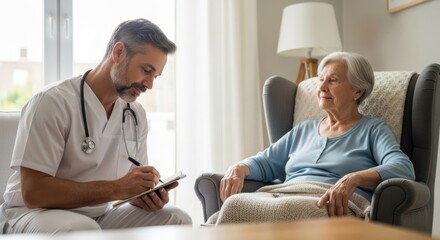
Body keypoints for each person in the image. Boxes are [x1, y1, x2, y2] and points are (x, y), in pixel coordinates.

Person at [0, 18, 191, 234]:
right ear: (118, 53)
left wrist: (145, 195)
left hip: (99, 214)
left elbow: (128, 188)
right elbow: (33, 192)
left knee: (177, 218)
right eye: (146, 70)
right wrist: (116, 188)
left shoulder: (135, 114)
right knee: (83, 230)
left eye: (155, 76)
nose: (149, 84)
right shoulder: (52, 102)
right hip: (32, 212)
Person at [215, 52, 415, 223]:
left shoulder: (373, 129)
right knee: (232, 207)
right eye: (321, 79)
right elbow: (266, 162)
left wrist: (355, 178)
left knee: (283, 211)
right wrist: (239, 167)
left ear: (357, 91)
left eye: (333, 80)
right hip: (286, 194)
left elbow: (403, 167)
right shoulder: (304, 129)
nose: (322, 87)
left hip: (326, 201)